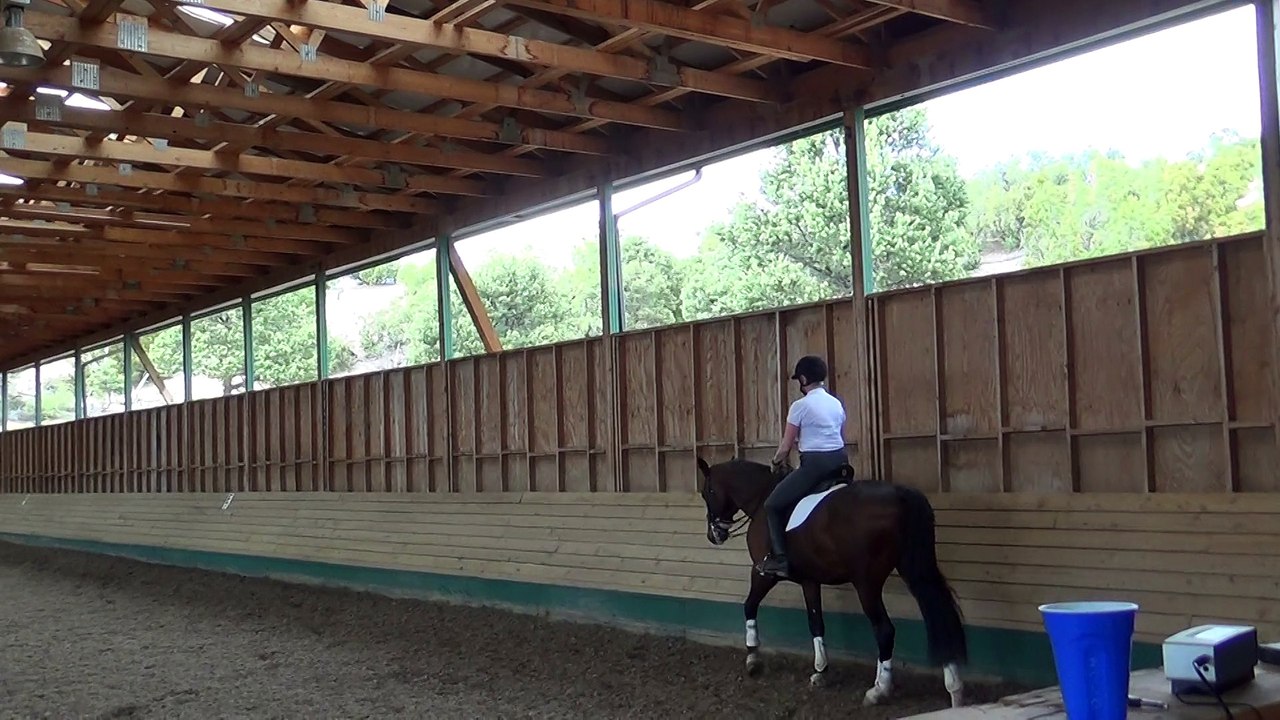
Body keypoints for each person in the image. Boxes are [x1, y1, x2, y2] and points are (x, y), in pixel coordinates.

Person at [756, 354, 848, 579]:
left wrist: (776, 462)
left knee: (772, 505)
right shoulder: (836, 403)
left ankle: (781, 560)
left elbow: (786, 446)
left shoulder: (800, 406)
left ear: (804, 379)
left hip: (814, 466)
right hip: (841, 463)